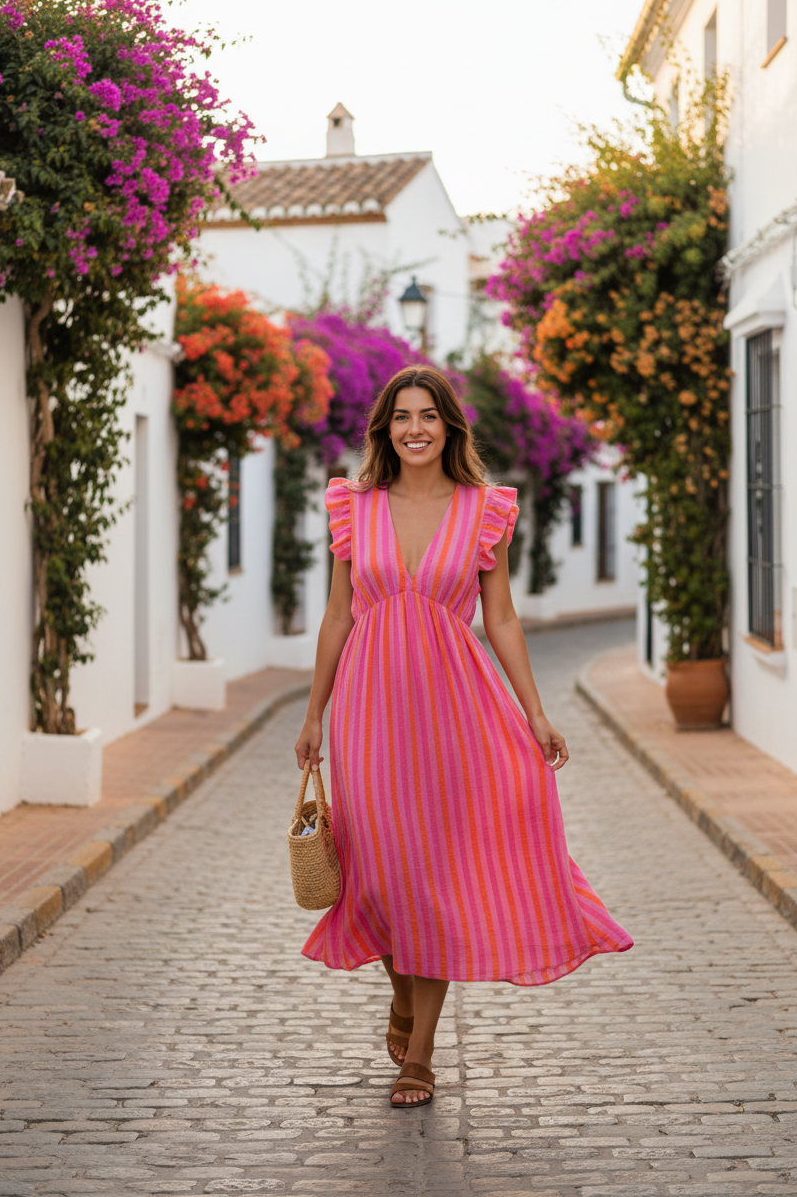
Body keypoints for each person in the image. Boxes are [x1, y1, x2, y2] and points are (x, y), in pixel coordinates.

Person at [294, 365, 632, 1108]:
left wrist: (536, 712)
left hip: (455, 707)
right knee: (378, 872)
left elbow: (501, 616)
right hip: (367, 708)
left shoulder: (485, 508)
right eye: (401, 417)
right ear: (385, 428)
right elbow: (338, 617)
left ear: (450, 426)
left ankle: (419, 1055)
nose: (415, 428)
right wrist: (314, 714)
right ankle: (401, 993)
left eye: (429, 416)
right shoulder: (354, 506)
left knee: (432, 877)